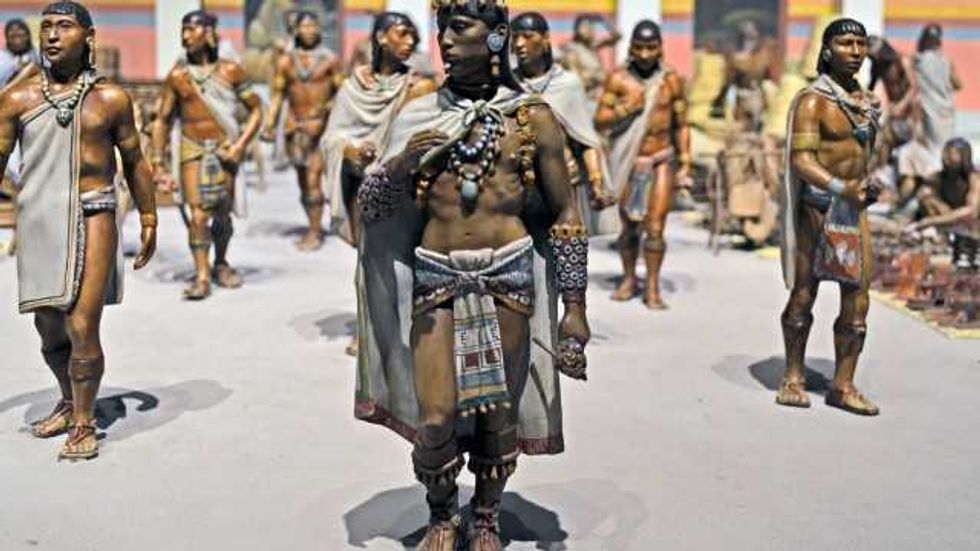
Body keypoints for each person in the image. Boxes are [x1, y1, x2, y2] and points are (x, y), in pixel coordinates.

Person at [353, 0, 591, 548]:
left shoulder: (534, 119)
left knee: (497, 411)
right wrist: (402, 163)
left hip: (506, 275)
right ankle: (442, 512)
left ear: (496, 37)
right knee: (435, 415)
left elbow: (565, 214)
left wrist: (574, 306)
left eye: (460, 28)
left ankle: (485, 514)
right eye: (442, 29)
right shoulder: (418, 109)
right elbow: (373, 208)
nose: (445, 41)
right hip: (436, 276)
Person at [0, 1, 158, 459]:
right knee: (48, 325)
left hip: (95, 212)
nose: (52, 35)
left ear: (88, 36)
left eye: (64, 26)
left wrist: (148, 217)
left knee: (82, 323)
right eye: (46, 27)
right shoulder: (17, 99)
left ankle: (86, 422)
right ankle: (68, 401)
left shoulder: (111, 99)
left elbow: (134, 161)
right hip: (40, 218)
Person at [777, 18, 882, 416]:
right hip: (818, 207)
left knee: (858, 299)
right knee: (805, 292)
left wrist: (868, 182)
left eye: (860, 43)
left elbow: (863, 154)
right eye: (845, 43)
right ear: (826, 50)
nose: (854, 51)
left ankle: (843, 383)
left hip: (854, 210)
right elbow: (801, 159)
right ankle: (792, 375)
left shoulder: (865, 102)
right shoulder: (813, 101)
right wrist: (841, 187)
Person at [320, 11, 434, 355]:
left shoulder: (419, 87)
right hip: (363, 185)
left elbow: (428, 136)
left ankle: (413, 326)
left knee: (410, 258)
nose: (411, 41)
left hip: (405, 184)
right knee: (368, 261)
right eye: (403, 33)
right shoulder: (353, 87)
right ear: (382, 37)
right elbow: (331, 136)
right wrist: (350, 149)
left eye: (414, 35)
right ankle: (368, 329)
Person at [152, 10, 262, 300]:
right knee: (198, 215)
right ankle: (202, 275)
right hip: (192, 149)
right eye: (183, 29)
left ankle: (221, 262)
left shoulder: (230, 71)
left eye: (192, 29)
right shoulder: (177, 76)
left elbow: (257, 110)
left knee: (222, 212)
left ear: (210, 33)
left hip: (225, 148)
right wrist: (158, 160)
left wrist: (239, 146)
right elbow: (163, 119)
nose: (185, 35)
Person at [594, 20, 691, 309]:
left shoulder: (671, 80)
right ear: (631, 47)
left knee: (656, 227)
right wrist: (627, 108)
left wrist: (685, 164)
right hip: (628, 160)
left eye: (651, 47)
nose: (645, 54)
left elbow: (682, 125)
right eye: (639, 47)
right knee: (629, 226)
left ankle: (652, 286)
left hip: (661, 158)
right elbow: (600, 119)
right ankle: (628, 279)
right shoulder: (618, 79)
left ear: (660, 47)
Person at [511, 11, 615, 234]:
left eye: (527, 36)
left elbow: (586, 138)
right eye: (515, 37)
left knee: (564, 256)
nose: (519, 44)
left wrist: (596, 184)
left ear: (545, 38)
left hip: (564, 181)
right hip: (518, 183)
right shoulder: (507, 86)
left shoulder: (567, 85)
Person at [262, 11, 343, 251]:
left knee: (313, 180)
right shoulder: (286, 61)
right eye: (304, 27)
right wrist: (269, 122)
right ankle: (312, 222)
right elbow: (278, 95)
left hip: (321, 127)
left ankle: (315, 232)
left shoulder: (330, 60)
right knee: (303, 182)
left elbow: (341, 94)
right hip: (295, 128)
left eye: (313, 26)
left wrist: (324, 113)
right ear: (296, 31)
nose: (309, 31)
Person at [897, 24, 961, 198]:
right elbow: (958, 84)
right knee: (944, 151)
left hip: (928, 112)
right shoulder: (947, 62)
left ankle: (929, 190)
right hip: (946, 112)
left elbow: (909, 85)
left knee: (928, 151)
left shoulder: (916, 61)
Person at [711, 18, 776, 133]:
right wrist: (720, 99)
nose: (749, 33)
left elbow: (770, 76)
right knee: (737, 120)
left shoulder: (763, 54)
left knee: (759, 121)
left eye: (752, 29)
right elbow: (729, 80)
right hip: (739, 93)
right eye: (746, 30)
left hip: (758, 94)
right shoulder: (735, 56)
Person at [906, 138, 980, 233]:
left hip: (970, 222)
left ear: (963, 157)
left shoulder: (974, 178)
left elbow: (971, 212)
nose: (945, 158)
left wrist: (931, 221)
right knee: (926, 196)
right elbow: (919, 200)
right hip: (949, 218)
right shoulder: (938, 177)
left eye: (950, 154)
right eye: (944, 153)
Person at [559, 14, 621, 103]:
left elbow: (617, 37)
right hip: (577, 101)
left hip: (592, 99)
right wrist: (596, 76)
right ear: (577, 29)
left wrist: (604, 21)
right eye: (585, 26)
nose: (589, 30)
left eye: (591, 27)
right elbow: (576, 82)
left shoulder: (592, 46)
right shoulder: (571, 50)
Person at [0, 19, 41, 88]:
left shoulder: (39, 53)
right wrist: (17, 66)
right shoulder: (2, 56)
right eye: (12, 37)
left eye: (21, 36)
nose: (17, 41)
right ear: (7, 38)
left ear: (28, 36)